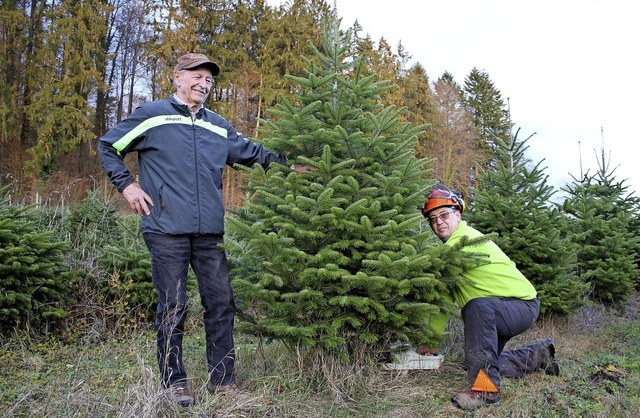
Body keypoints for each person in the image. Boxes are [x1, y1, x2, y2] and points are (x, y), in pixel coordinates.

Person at [99, 52, 310, 407]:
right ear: (177, 78)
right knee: (173, 306)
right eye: (196, 76)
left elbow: (252, 154)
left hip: (210, 232)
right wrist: (127, 186)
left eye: (209, 79)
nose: (203, 83)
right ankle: (174, 382)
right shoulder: (153, 116)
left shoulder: (217, 125)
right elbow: (108, 145)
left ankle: (223, 380)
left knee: (221, 303)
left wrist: (292, 168)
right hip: (165, 228)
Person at [419, 183, 559, 411]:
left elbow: (442, 298)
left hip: (519, 306)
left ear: (458, 214)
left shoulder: (461, 244)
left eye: (444, 215)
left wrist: (431, 342)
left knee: (476, 307)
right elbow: (445, 299)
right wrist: (431, 341)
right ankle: (539, 356)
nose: (438, 222)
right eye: (433, 219)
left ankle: (485, 392)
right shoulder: (457, 244)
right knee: (475, 362)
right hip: (501, 309)